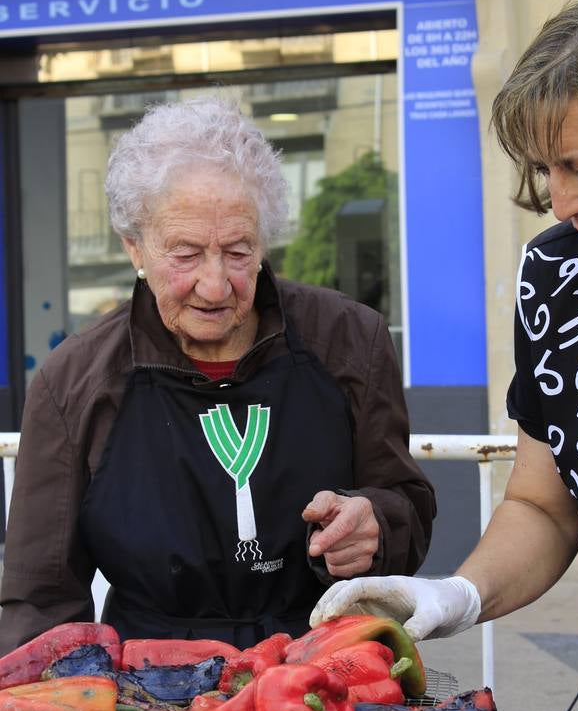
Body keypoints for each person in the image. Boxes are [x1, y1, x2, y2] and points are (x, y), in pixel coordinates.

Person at [310, 0, 578, 711]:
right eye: (546, 169)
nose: (561, 201)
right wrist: (457, 594)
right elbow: (543, 503)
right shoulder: (559, 279)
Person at [0, 96, 435, 653]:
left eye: (237, 251)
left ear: (264, 241)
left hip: (321, 663)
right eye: (185, 254)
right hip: (149, 681)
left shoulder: (351, 341)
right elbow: (43, 599)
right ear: (135, 245)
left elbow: (406, 504)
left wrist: (377, 525)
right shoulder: (75, 380)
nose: (214, 285)